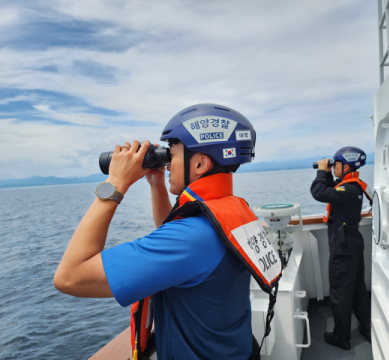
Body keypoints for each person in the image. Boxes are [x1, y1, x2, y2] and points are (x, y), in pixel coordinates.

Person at [54, 103, 281, 360]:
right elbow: (178, 245)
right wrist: (156, 184)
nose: (168, 163)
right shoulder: (232, 210)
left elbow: (69, 277)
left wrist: (115, 184)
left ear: (200, 164)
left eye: (172, 153)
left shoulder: (191, 239)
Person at [310, 146, 372, 350]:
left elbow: (318, 193)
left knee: (340, 293)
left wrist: (321, 172)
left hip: (343, 249)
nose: (332, 167)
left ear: (346, 166)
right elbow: (330, 191)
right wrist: (327, 173)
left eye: (335, 164)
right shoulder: (350, 186)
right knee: (358, 290)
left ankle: (341, 336)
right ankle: (366, 327)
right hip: (352, 245)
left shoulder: (347, 190)